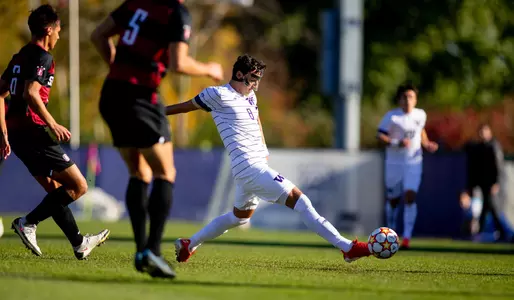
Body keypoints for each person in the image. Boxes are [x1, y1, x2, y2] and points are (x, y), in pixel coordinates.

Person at [165, 54, 371, 263]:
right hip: (248, 167)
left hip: (253, 166)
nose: (255, 85)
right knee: (302, 202)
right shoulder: (217, 94)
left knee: (239, 217)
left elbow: (257, 121)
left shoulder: (250, 97)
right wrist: (157, 112)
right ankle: (347, 247)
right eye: (253, 78)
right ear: (239, 74)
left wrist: (263, 147)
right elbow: (184, 106)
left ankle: (188, 244)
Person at [91, 0, 223, 278]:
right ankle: (152, 250)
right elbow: (179, 63)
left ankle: (142, 251)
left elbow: (97, 35)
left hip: (112, 94)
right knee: (166, 172)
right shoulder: (176, 12)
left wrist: (116, 67)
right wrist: (210, 69)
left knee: (139, 172)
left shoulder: (136, 2)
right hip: (140, 97)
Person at [0, 4, 110, 260]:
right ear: (49, 30)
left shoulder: (19, 57)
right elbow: (30, 92)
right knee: (79, 186)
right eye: (59, 30)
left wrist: (4, 132)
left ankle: (79, 243)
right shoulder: (42, 58)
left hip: (17, 136)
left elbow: (0, 92)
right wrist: (52, 123)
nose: (60, 35)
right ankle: (28, 222)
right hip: (34, 133)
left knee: (55, 190)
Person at [377, 83, 438, 249]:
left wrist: (426, 143)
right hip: (394, 163)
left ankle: (407, 237)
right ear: (399, 100)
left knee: (410, 196)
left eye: (411, 97)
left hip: (413, 162)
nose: (408, 100)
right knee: (393, 200)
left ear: (416, 99)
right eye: (404, 97)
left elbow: (421, 131)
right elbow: (380, 135)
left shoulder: (420, 115)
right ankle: (391, 232)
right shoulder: (392, 117)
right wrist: (396, 142)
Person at [461, 123, 510, 241]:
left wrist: (496, 183)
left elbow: (498, 167)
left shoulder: (494, 146)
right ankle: (485, 232)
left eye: (485, 131)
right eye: (481, 132)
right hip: (482, 183)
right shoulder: (478, 148)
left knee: (493, 207)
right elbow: (475, 169)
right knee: (487, 207)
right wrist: (471, 185)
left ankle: (502, 232)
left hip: (492, 183)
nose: (482, 134)